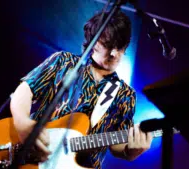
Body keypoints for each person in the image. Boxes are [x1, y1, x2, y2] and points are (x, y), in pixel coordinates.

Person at [10, 10, 153, 169]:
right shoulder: (63, 62)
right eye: (108, 45)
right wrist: (22, 123)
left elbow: (116, 146)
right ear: (93, 41)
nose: (113, 53)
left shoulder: (126, 95)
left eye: (119, 47)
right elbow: (24, 90)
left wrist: (130, 151)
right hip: (33, 159)